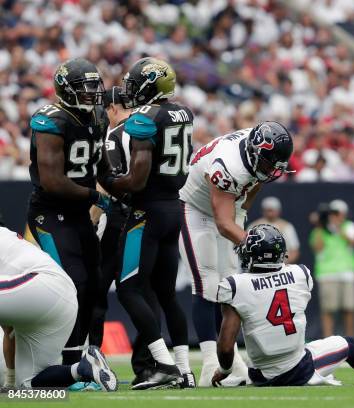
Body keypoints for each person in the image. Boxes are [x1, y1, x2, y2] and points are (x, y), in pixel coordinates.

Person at [212, 224, 354, 387]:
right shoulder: (300, 274)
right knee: (346, 344)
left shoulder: (235, 285)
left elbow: (225, 345)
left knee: (311, 348)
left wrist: (224, 369)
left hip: (262, 371)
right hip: (297, 368)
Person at [179, 122, 294, 386]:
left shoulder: (258, 158)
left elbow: (253, 186)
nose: (271, 170)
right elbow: (222, 221)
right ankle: (210, 363)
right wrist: (255, 244)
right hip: (195, 209)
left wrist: (241, 217)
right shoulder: (229, 164)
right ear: (255, 153)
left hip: (229, 207)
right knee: (207, 283)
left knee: (232, 285)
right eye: (268, 164)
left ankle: (231, 361)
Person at [103, 57, 193, 390]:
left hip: (147, 211)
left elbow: (136, 181)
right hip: (174, 207)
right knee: (166, 295)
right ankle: (184, 369)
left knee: (128, 288)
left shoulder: (143, 119)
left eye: (134, 81)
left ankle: (166, 366)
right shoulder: (183, 112)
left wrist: (106, 179)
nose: (129, 87)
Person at [26, 58, 111, 366]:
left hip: (78, 213)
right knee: (72, 282)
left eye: (93, 87)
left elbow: (101, 165)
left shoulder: (98, 116)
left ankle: (76, 357)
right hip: (50, 212)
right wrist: (95, 197)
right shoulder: (51, 120)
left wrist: (119, 189)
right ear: (65, 89)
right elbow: (52, 181)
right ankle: (58, 360)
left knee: (93, 283)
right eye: (85, 88)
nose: (92, 94)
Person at [89, 87, 159, 387]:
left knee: (97, 293)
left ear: (113, 108)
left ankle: (91, 361)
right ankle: (151, 364)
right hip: (151, 216)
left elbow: (109, 185)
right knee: (145, 292)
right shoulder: (149, 130)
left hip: (120, 217)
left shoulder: (113, 137)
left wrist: (94, 219)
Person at [0, 225, 117, 391]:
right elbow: (9, 329)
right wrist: (10, 382)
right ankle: (85, 367)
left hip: (42, 285)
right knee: (27, 383)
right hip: (64, 298)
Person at [309, 199, 354, 337]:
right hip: (327, 274)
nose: (335, 216)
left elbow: (352, 241)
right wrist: (320, 225)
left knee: (349, 309)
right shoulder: (319, 230)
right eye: (333, 213)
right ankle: (328, 341)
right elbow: (317, 247)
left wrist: (338, 226)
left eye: (338, 213)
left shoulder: (349, 226)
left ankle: (351, 340)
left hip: (348, 273)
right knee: (328, 310)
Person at [248, 196, 300, 263]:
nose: (270, 213)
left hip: (281, 267)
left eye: (272, 210)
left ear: (279, 211)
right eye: (268, 210)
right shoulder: (254, 226)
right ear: (263, 211)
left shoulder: (287, 227)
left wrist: (282, 265)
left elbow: (294, 251)